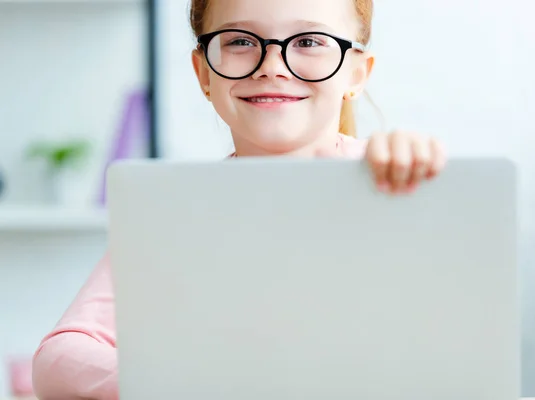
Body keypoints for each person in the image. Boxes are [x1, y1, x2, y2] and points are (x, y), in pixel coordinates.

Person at [31, 0, 447, 398]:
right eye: (240, 41)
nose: (272, 67)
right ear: (203, 74)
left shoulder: (393, 179)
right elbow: (60, 356)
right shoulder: (174, 215)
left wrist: (418, 178)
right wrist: (172, 386)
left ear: (357, 74)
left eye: (308, 42)